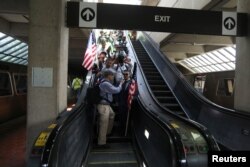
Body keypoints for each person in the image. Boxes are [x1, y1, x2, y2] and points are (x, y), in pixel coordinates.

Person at [97, 70, 124, 147]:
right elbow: (116, 90)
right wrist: (121, 84)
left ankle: (107, 132)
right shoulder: (105, 84)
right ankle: (101, 143)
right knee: (104, 124)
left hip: (106, 105)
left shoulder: (105, 82)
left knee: (112, 115)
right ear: (108, 75)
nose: (113, 77)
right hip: (103, 106)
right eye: (112, 75)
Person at [118, 70, 132, 134]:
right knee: (121, 117)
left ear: (129, 75)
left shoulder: (132, 83)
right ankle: (121, 130)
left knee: (126, 118)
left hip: (128, 104)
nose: (125, 75)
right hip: (121, 103)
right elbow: (119, 92)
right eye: (124, 74)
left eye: (126, 74)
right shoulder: (122, 82)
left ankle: (125, 131)